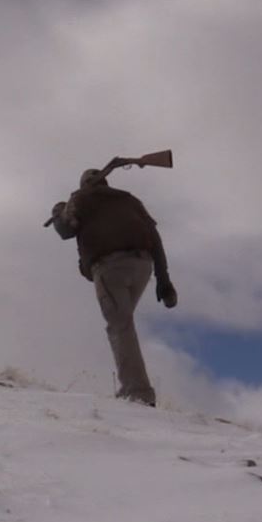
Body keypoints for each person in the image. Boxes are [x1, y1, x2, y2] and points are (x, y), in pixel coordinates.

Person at [51, 168, 176, 406]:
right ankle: (135, 388)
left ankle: (137, 392)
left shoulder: (80, 198)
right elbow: (155, 237)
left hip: (110, 267)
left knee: (120, 326)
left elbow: (66, 230)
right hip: (142, 266)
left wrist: (57, 211)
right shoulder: (129, 199)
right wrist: (164, 280)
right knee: (123, 323)